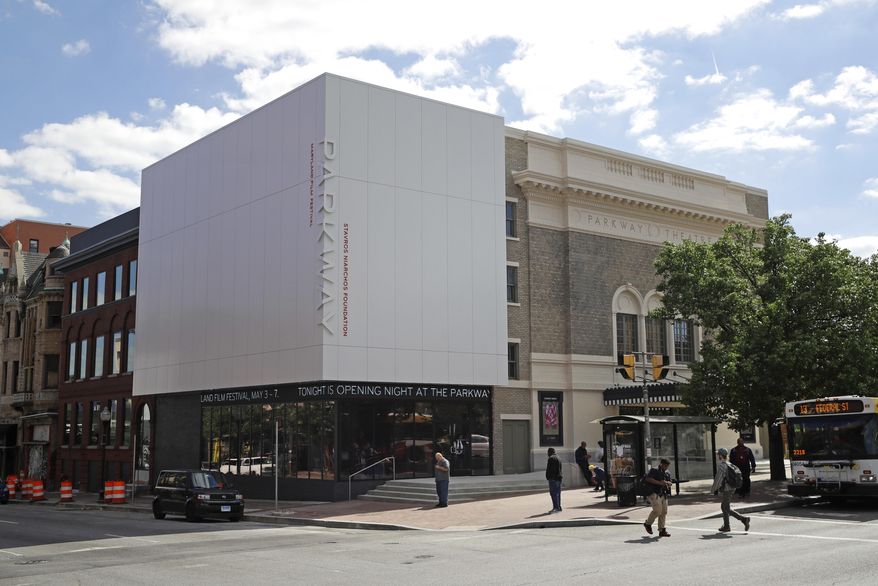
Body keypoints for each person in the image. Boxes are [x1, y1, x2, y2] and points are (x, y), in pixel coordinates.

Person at [712, 448, 750, 532]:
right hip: (732, 487)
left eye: (718, 455)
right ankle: (727, 526)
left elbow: (718, 479)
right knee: (725, 507)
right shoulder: (729, 464)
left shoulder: (722, 466)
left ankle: (743, 519)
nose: (717, 456)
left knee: (725, 507)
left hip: (727, 488)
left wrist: (713, 489)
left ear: (721, 456)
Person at [643, 458, 673, 538]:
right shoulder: (654, 470)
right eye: (665, 466)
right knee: (657, 511)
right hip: (654, 493)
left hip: (664, 494)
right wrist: (660, 483)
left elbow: (670, 481)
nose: (666, 468)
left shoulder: (667, 472)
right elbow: (648, 478)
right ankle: (648, 524)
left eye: (667, 466)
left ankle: (662, 530)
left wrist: (668, 483)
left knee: (664, 512)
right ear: (661, 464)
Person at [545, 447, 563, 513]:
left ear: (549, 452)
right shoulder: (559, 458)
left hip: (553, 478)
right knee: (558, 493)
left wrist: (548, 477)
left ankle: (556, 507)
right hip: (559, 478)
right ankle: (559, 506)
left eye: (548, 452)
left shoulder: (551, 458)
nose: (547, 454)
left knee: (553, 493)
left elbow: (549, 469)